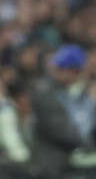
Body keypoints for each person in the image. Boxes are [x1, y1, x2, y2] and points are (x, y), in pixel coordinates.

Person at [31, 44, 93, 179]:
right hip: (54, 166)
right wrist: (88, 145)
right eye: (57, 67)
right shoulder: (44, 92)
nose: (56, 71)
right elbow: (61, 130)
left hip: (78, 162)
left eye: (61, 68)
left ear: (74, 71)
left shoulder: (81, 92)